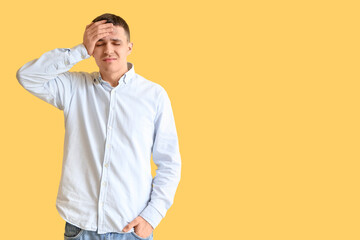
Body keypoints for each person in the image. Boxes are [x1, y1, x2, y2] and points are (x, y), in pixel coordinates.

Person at [16, 13, 181, 240]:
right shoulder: (73, 87)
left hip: (131, 229)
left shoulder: (154, 95)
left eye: (116, 42)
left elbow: (170, 162)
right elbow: (27, 76)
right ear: (92, 49)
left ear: (129, 47)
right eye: (99, 43)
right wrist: (80, 50)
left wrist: (153, 216)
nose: (108, 50)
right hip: (80, 228)